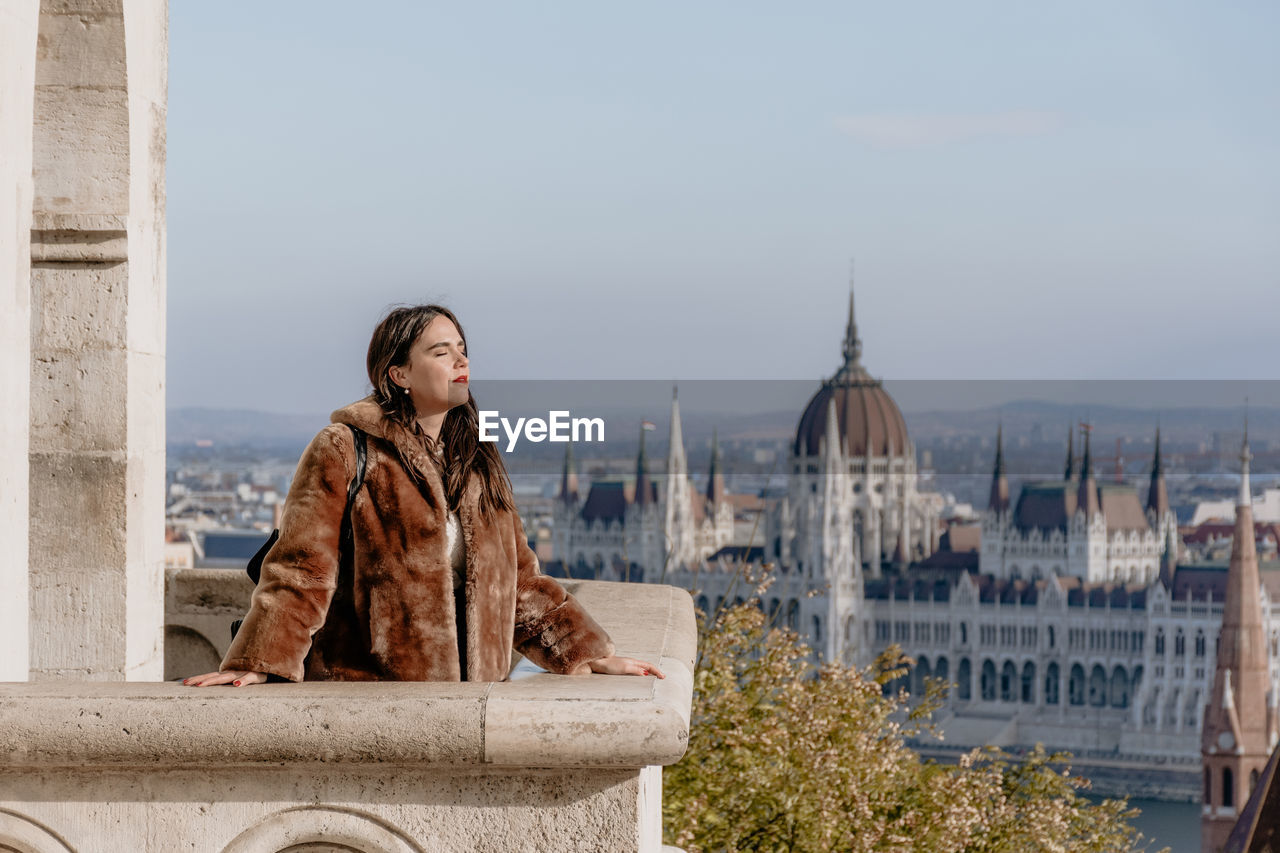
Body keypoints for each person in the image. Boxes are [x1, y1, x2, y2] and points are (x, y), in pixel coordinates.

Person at [184, 304, 663, 687]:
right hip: (370, 695)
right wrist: (262, 658)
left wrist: (588, 654)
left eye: (462, 348)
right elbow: (302, 568)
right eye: (441, 351)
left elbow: (517, 583)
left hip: (475, 698)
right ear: (400, 375)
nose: (461, 361)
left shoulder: (476, 459)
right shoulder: (345, 448)